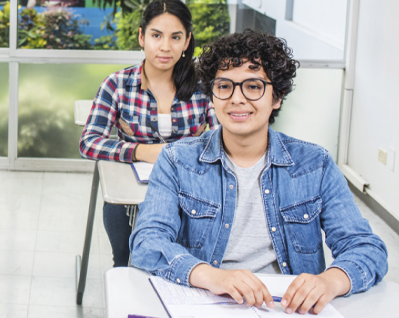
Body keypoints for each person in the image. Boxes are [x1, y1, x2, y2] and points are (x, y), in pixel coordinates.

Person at [129, 30, 388, 315]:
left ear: (277, 97)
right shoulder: (177, 160)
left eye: (253, 87)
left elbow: (366, 248)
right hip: (205, 302)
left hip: (286, 308)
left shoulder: (316, 165)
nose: (237, 99)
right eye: (225, 86)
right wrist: (211, 276)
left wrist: (329, 282)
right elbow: (147, 242)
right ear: (212, 98)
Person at [79, 0, 217, 267]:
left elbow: (227, 139)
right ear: (142, 37)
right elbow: (88, 143)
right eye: (156, 35)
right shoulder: (118, 84)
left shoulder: (205, 87)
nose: (165, 47)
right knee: (128, 258)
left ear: (187, 41)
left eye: (176, 37)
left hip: (190, 191)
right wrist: (142, 152)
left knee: (183, 262)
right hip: (133, 193)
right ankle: (123, 261)